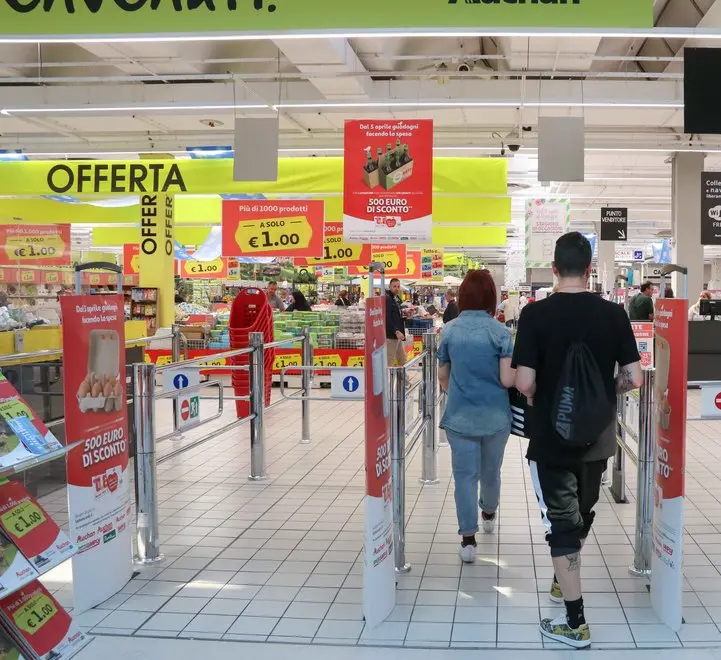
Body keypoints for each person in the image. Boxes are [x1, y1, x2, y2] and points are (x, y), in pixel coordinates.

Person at [512, 232, 642, 649]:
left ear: (553, 268)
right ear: (590, 270)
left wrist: (536, 393)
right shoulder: (613, 314)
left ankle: (575, 623)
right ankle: (561, 578)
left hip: (551, 438)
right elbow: (633, 377)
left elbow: (525, 381)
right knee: (581, 514)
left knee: (562, 524)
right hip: (598, 438)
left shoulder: (535, 316)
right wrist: (601, 394)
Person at [438, 270, 516, 562]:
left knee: (464, 477)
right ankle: (489, 511)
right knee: (490, 472)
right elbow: (507, 379)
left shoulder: (450, 330)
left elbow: (443, 375)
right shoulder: (500, 333)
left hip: (459, 416)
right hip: (496, 417)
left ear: (463, 297)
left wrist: (456, 391)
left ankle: (468, 540)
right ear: (491, 299)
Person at [385, 278, 406, 367]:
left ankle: (405, 380)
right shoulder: (387, 299)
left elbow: (400, 315)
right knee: (389, 361)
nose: (397, 288)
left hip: (399, 335)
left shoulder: (397, 299)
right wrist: (396, 331)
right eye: (394, 286)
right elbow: (387, 318)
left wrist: (406, 315)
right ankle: (387, 381)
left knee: (402, 360)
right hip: (391, 335)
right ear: (389, 287)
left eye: (398, 286)